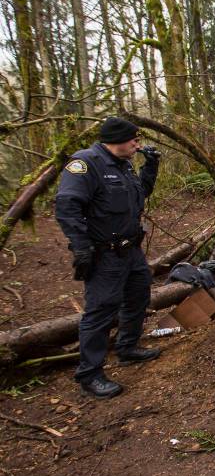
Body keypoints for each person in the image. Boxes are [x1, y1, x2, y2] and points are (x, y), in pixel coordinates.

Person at [55, 117, 162, 398]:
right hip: (105, 255)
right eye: (134, 141)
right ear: (116, 140)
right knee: (101, 310)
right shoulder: (85, 164)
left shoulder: (124, 165)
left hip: (131, 251)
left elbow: (140, 195)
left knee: (139, 295)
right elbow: (67, 206)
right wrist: (81, 247)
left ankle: (127, 348)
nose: (138, 145)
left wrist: (151, 167)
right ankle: (90, 374)